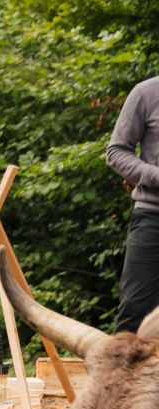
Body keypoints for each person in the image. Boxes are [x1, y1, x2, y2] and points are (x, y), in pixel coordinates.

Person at [109, 73, 159, 332]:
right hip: (153, 216)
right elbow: (116, 151)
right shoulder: (146, 92)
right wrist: (154, 175)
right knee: (134, 313)